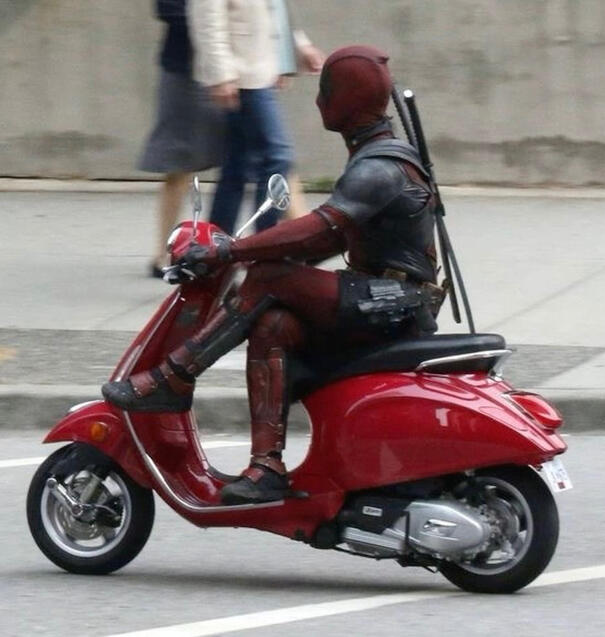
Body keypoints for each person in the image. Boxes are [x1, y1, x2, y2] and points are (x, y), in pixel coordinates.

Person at [103, 45, 440, 505]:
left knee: (268, 279)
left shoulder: (378, 168)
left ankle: (176, 376)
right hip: (384, 297)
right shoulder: (376, 156)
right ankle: (267, 468)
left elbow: (319, 228)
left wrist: (232, 250)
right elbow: (326, 242)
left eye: (327, 91)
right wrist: (258, 257)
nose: (319, 101)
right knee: (273, 324)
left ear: (347, 99)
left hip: (393, 300)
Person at [187, 0, 323, 234]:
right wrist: (221, 75)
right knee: (277, 157)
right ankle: (265, 240)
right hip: (241, 74)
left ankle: (217, 243)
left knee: (237, 164)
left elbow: (275, 8)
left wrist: (295, 51)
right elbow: (207, 20)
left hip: (256, 70)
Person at [141, 0, 225, 277]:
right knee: (179, 160)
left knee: (271, 154)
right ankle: (163, 253)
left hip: (241, 66)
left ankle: (303, 240)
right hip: (187, 68)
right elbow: (170, 9)